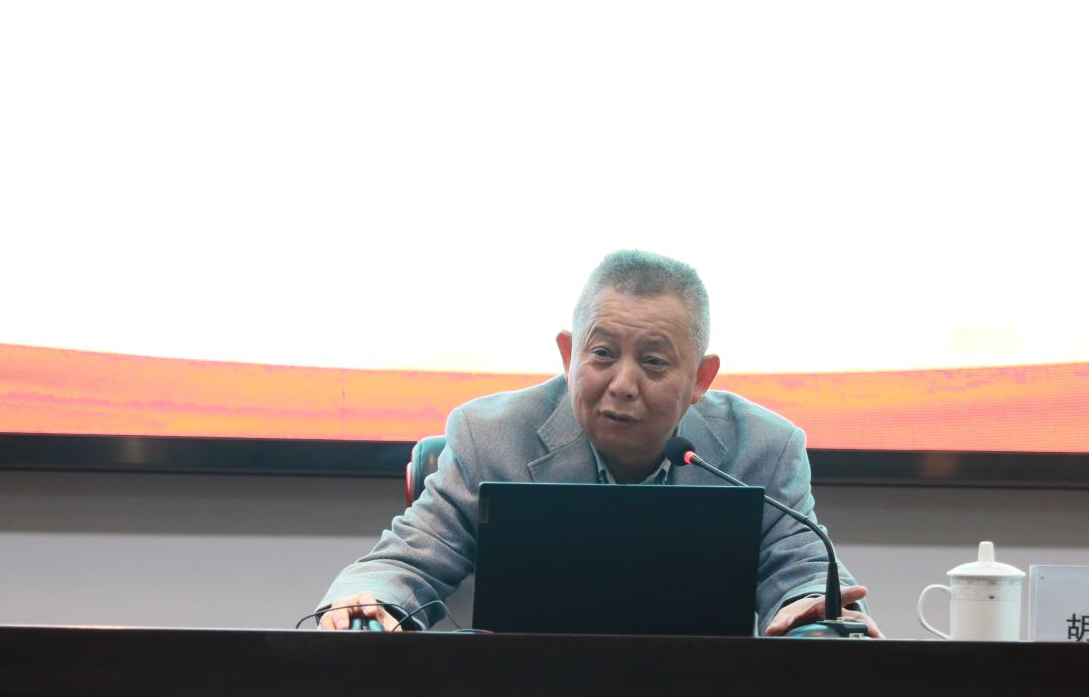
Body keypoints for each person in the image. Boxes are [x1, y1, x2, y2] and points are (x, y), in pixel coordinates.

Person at [317, 249, 879, 637]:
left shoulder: (763, 447)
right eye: (602, 354)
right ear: (568, 355)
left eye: (653, 361)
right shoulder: (490, 435)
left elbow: (802, 570)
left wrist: (817, 612)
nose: (622, 384)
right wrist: (369, 602)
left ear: (700, 379)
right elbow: (409, 557)